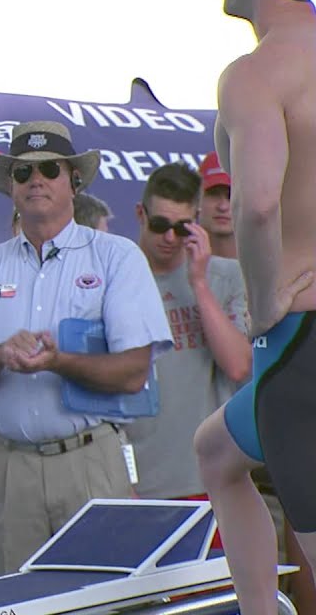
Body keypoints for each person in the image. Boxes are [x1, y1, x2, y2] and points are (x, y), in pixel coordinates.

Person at [0, 120, 173, 576]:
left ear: (74, 180)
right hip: (9, 466)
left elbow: (133, 372)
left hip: (90, 459)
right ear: (10, 187)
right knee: (17, 605)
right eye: (22, 173)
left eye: (49, 168)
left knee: (102, 603)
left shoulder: (116, 256)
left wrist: (58, 360)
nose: (35, 179)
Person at [194, 0, 316, 614]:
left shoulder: (255, 73)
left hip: (299, 341)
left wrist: (265, 300)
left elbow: (259, 203)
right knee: (217, 452)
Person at [124, 163, 249, 508]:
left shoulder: (226, 277)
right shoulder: (116, 276)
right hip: (138, 478)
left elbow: (238, 366)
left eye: (181, 228)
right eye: (160, 224)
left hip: (209, 476)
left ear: (196, 221)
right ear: (140, 213)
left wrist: (199, 283)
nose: (169, 238)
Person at [198, 152, 237, 259]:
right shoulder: (174, 262)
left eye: (231, 196)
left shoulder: (271, 266)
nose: (223, 207)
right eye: (213, 194)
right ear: (196, 200)